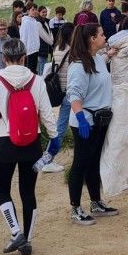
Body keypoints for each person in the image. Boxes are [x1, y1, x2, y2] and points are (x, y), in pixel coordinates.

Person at [0, 37, 57, 255]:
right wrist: (54, 137)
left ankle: (15, 231)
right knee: (28, 191)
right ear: (24, 58)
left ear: (3, 58)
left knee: (2, 188)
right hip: (32, 143)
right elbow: (47, 113)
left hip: (5, 142)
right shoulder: (37, 81)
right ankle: (27, 240)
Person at [65, 23, 118, 224]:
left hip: (101, 119)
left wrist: (110, 54)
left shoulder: (96, 58)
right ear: (92, 39)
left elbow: (102, 61)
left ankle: (96, 201)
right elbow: (74, 95)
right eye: (102, 34)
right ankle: (75, 208)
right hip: (85, 122)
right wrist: (80, 119)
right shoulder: (78, 66)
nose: (105, 37)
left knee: (94, 161)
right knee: (81, 162)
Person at [40, 23, 76, 174]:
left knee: (62, 126)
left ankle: (47, 158)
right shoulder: (72, 51)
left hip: (60, 91)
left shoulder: (57, 49)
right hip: (70, 92)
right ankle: (47, 159)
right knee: (61, 127)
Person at [19, 2, 43, 74]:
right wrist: (24, 51)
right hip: (29, 52)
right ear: (28, 11)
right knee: (30, 71)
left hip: (35, 50)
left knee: (34, 71)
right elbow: (23, 37)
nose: (35, 11)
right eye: (33, 10)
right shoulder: (26, 22)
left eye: (36, 9)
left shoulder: (34, 21)